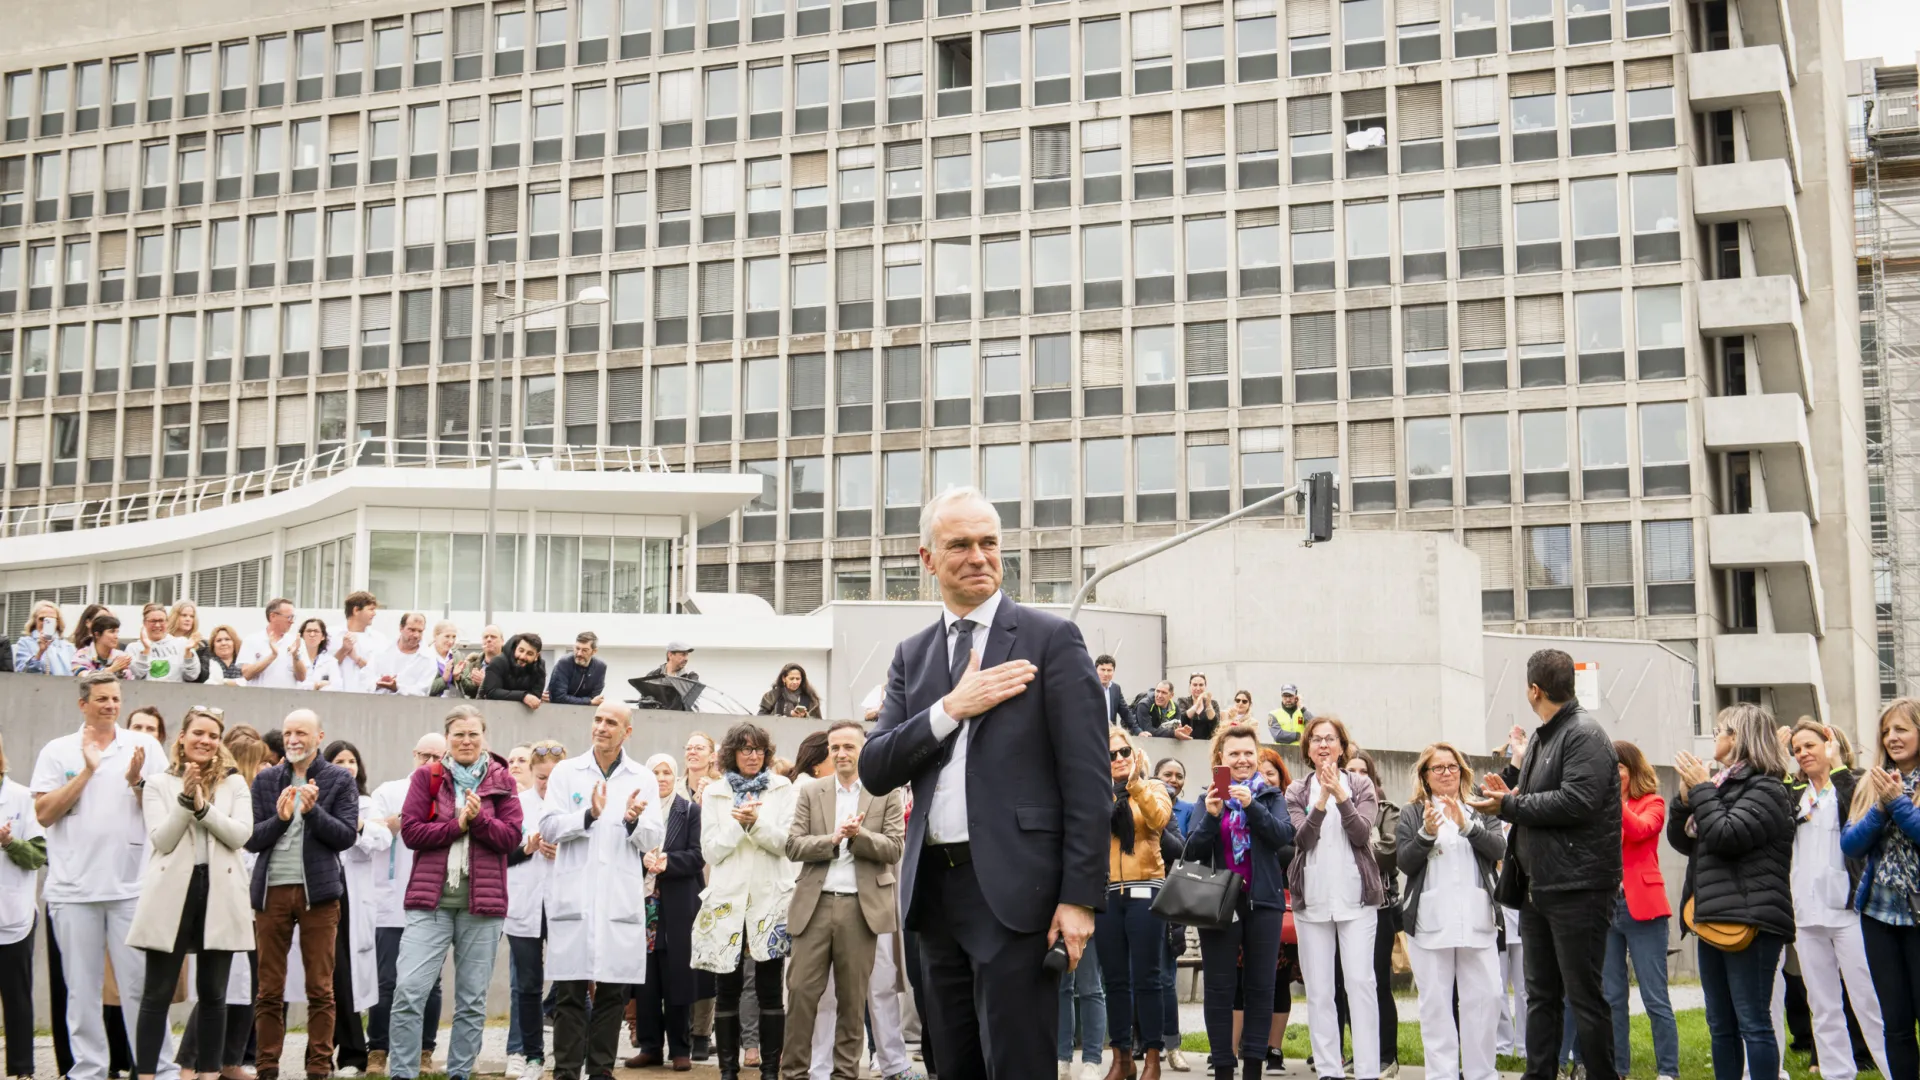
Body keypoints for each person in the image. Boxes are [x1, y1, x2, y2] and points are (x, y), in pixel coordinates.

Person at [860, 486, 1109, 1079]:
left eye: (989, 543)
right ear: (927, 559)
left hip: (1016, 895)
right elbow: (876, 767)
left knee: (1018, 1064)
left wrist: (1079, 898)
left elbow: (1088, 781)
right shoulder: (912, 655)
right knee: (951, 1064)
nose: (978, 556)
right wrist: (952, 707)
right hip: (932, 898)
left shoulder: (1052, 640)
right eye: (960, 545)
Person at [1464, 648, 1622, 1080]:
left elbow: (1578, 800)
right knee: (1541, 996)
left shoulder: (1584, 733)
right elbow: (1531, 798)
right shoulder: (1540, 738)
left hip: (1579, 888)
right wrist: (1507, 789)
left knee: (1584, 996)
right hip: (1538, 888)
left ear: (1534, 690)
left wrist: (1510, 804)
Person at [31, 671, 175, 1080]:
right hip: (73, 890)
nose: (111, 706)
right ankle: (89, 1070)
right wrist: (87, 772)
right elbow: (43, 813)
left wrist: (136, 783)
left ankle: (156, 1067)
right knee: (81, 990)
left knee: (140, 987)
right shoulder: (58, 751)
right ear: (83, 704)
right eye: (101, 699)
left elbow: (164, 808)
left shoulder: (144, 746)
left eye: (115, 698)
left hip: (131, 887)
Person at [387, 706, 522, 1080]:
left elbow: (511, 839)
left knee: (472, 1002)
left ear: (484, 737)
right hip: (429, 904)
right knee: (409, 992)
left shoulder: (502, 780)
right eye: (459, 734)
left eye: (473, 734)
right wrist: (456, 824)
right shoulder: (426, 777)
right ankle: (401, 1073)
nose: (466, 741)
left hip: (483, 907)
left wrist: (478, 821)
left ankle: (460, 1073)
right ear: (447, 738)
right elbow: (411, 833)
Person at [1669, 703, 1796, 1080]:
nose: (1714, 736)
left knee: (1753, 1022)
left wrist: (1704, 790)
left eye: (1720, 729)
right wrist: (1684, 801)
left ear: (1739, 738)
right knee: (1719, 1023)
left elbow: (1726, 835)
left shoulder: (1768, 788)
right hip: (1712, 917)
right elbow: (1684, 841)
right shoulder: (1721, 785)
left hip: (1752, 922)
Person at [541, 703, 667, 1080]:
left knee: (613, 994)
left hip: (618, 902)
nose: (601, 727)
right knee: (569, 993)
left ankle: (600, 1072)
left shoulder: (641, 776)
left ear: (626, 732)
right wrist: (588, 816)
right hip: (575, 899)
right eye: (597, 720)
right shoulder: (566, 771)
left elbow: (653, 838)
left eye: (611, 722)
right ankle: (565, 1071)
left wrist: (631, 820)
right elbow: (548, 827)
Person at [127, 707, 253, 1080]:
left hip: (220, 892)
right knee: (157, 993)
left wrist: (202, 807)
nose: (205, 740)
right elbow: (161, 840)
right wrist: (185, 803)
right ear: (181, 737)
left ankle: (209, 1073)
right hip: (172, 894)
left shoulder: (235, 784)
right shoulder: (158, 783)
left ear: (219, 743)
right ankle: (146, 1074)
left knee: (214, 993)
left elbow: (239, 835)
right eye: (198, 733)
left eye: (213, 736)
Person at [780, 721, 906, 1080]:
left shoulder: (885, 793)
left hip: (861, 909)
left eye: (848, 747)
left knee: (852, 1003)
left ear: (863, 750)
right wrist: (832, 840)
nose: (841, 754)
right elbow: (793, 845)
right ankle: (793, 1074)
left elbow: (894, 848)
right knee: (802, 994)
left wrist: (859, 835)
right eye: (835, 748)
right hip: (814, 906)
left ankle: (845, 1075)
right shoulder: (811, 791)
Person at [244, 708, 360, 1080]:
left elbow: (345, 836)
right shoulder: (265, 781)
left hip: (320, 895)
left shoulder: (339, 779)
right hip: (271, 892)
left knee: (320, 987)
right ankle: (266, 1067)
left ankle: (317, 1068)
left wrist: (311, 813)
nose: (293, 739)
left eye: (302, 733)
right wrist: (279, 819)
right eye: (289, 733)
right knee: (269, 988)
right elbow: (251, 839)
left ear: (319, 737)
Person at [1183, 724, 1292, 1080]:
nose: (1243, 759)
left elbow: (1283, 838)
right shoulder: (1207, 800)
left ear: (1256, 757)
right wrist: (1213, 818)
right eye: (1234, 753)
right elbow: (1192, 851)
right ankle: (1224, 1068)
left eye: (1248, 753)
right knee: (1219, 987)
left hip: (1263, 902)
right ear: (1221, 759)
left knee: (1261, 987)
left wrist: (1253, 807)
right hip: (1219, 903)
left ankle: (1254, 1069)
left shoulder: (1271, 796)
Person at [1788, 720, 1891, 1080]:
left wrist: (1838, 767)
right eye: (1797, 749)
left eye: (1810, 745)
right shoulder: (1795, 794)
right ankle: (1837, 1073)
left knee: (1868, 1000)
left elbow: (1855, 808)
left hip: (1847, 913)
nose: (1803, 753)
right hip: (1806, 913)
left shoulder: (1852, 783)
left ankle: (1895, 1069)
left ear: (1829, 745)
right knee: (1823, 1004)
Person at [693, 722, 797, 1080]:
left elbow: (787, 843)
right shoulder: (716, 792)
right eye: (745, 749)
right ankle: (727, 1071)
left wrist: (755, 824)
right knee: (727, 989)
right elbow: (711, 851)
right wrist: (740, 825)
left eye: (759, 750)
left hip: (769, 899)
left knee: (770, 989)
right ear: (732, 753)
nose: (753, 756)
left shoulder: (782, 787)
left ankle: (770, 1071)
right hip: (727, 902)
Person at [1396, 742, 1504, 1080]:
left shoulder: (1480, 808)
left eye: (1452, 766)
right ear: (1426, 776)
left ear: (1462, 772)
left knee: (1486, 1000)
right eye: (1438, 768)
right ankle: (1441, 1075)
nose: (1446, 773)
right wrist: (1427, 833)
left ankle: (1480, 1074)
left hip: (1477, 921)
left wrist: (1468, 826)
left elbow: (1499, 848)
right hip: (1431, 924)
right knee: (1436, 1007)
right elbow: (1404, 861)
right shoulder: (1413, 812)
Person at [1287, 716, 1383, 1080]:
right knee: (1319, 989)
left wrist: (1341, 796)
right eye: (1316, 740)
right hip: (1311, 901)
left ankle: (1368, 1071)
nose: (1323, 745)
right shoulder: (1296, 790)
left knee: (1360, 984)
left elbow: (1361, 835)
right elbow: (1302, 840)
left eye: (1330, 739)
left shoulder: (1361, 784)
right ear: (1307, 749)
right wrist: (1321, 799)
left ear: (1343, 746)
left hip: (1356, 900)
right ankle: (1329, 1070)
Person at [1841, 697, 1920, 1080]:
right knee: (1896, 1022)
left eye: (1902, 729)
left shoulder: (1894, 790)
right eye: (1886, 731)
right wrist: (1881, 807)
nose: (1892, 737)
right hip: (1878, 917)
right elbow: (1850, 845)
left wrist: (1898, 803)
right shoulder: (1871, 783)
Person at [367, 736, 448, 1078]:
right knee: (387, 981)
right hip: (391, 901)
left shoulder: (450, 792)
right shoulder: (390, 790)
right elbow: (371, 832)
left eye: (436, 756)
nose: (429, 760)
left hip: (433, 902)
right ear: (413, 754)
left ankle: (424, 1052)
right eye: (424, 754)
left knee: (431, 982)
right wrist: (399, 820)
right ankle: (378, 1051)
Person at [1096, 726, 1171, 1080]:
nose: (1119, 759)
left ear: (1135, 753)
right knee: (1114, 980)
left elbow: (1159, 819)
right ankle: (1121, 1058)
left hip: (1147, 889)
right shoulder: (1096, 793)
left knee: (1148, 977)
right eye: (1111, 755)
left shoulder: (1153, 787)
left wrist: (1137, 784)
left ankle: (1153, 1057)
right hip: (1108, 893)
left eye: (1124, 752)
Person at [1602, 741, 1680, 1080]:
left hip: (1643, 909)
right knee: (1612, 996)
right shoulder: (1598, 806)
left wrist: (1615, 802)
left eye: (1618, 767)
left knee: (1655, 997)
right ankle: (1618, 1069)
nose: (1612, 774)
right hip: (1606, 908)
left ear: (1633, 771)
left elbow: (1641, 830)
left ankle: (1667, 1071)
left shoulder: (1653, 802)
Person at [628, 753, 704, 1071]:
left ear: (676, 777)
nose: (661, 778)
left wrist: (667, 863)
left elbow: (698, 855)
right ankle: (650, 1046)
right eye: (655, 772)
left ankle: (680, 1049)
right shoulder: (636, 812)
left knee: (677, 977)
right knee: (645, 981)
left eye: (667, 772)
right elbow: (622, 848)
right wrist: (642, 859)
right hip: (642, 905)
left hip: (676, 904)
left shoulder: (689, 811)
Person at [323, 741, 393, 1077]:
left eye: (352, 761)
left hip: (352, 898)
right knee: (324, 977)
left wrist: (358, 825)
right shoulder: (317, 801)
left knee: (345, 977)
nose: (347, 766)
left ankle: (352, 1055)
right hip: (321, 892)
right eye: (339, 761)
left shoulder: (366, 803)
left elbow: (381, 841)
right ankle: (321, 1050)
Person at [1334, 750, 1400, 1078]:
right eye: (1351, 771)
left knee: (1376, 983)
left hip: (1379, 907)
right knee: (1349, 983)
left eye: (1363, 772)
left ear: (1373, 779)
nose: (1357, 776)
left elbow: (1390, 853)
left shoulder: (1387, 811)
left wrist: (1355, 842)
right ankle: (1359, 1055)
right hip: (1341, 907)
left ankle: (1387, 1055)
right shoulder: (1333, 805)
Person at [506, 740, 563, 1080]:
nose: (546, 784)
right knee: (527, 985)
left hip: (561, 903)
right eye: (541, 777)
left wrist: (563, 851)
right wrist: (526, 848)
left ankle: (573, 1053)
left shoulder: (576, 805)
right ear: (531, 773)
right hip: (524, 905)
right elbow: (500, 854)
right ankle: (531, 1056)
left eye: (552, 778)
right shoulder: (515, 805)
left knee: (572, 981)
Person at [0, 730, 47, 1080]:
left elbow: (37, 857)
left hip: (12, 916)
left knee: (17, 998)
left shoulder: (20, 798)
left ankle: (22, 1070)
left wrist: (10, 842)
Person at [1152, 758, 1197, 1073]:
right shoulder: (1132, 800)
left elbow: (1184, 850)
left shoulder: (1186, 810)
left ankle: (1172, 1046)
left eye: (1179, 775)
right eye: (1167, 774)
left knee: (1166, 978)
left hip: (1170, 900)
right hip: (1136, 894)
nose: (1174, 779)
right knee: (1134, 976)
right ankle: (1142, 1042)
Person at [126, 602, 202, 683]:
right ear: (145, 623)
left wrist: (188, 653)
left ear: (167, 622)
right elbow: (136, 676)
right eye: (153, 621)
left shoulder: (182, 643)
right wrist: (146, 650)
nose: (158, 625)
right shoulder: (133, 647)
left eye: (161, 621)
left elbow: (192, 675)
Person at [361, 613, 436, 697]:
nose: (416, 635)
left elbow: (423, 691)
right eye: (411, 630)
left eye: (420, 631)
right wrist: (379, 682)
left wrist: (397, 687)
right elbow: (366, 676)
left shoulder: (428, 658)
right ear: (401, 628)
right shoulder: (382, 649)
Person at [240, 600, 305, 689]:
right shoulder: (252, 640)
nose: (292, 621)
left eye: (293, 617)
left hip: (288, 700)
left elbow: (302, 678)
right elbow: (247, 674)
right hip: (259, 699)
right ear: (273, 616)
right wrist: (272, 656)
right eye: (289, 617)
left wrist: (295, 656)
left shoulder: (295, 642)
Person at [330, 592, 387, 694]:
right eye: (371, 609)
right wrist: (343, 650)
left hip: (366, 698)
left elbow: (379, 673)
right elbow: (323, 668)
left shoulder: (379, 639)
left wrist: (356, 658)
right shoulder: (331, 635)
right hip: (336, 696)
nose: (374, 613)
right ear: (356, 610)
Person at [484, 633, 548, 709]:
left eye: (529, 654)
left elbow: (536, 695)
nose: (523, 657)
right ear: (515, 648)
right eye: (521, 651)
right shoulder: (498, 661)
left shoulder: (539, 667)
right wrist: (523, 696)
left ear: (536, 656)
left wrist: (524, 696)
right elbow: (492, 692)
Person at [12, 599, 75, 674]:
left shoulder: (68, 647)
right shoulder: (24, 643)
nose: (45, 622)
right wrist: (40, 652)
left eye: (51, 619)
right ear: (35, 620)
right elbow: (22, 672)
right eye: (42, 619)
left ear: (57, 622)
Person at [440, 626, 503, 699]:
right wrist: (458, 677)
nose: (489, 639)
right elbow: (470, 691)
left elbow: (511, 691)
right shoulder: (471, 664)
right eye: (485, 637)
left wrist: (486, 683)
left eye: (493, 637)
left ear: (502, 641)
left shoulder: (510, 665)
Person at [548, 632, 608, 706]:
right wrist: (589, 702)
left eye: (584, 650)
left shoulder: (600, 667)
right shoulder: (564, 663)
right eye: (577, 648)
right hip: (557, 710)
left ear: (594, 651)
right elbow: (558, 697)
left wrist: (590, 701)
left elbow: (594, 697)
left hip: (583, 713)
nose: (579, 653)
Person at [74, 613, 133, 677]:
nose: (116, 636)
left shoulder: (120, 656)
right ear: (97, 635)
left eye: (117, 632)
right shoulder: (82, 655)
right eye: (112, 631)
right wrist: (111, 669)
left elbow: (130, 679)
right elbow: (82, 675)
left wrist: (121, 672)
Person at [758, 663, 823, 718]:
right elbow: (761, 718)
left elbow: (818, 723)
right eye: (791, 679)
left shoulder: (811, 698)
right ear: (784, 678)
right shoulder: (771, 696)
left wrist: (805, 716)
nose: (795, 682)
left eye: (798, 679)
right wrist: (785, 716)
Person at [169, 602, 211, 685]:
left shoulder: (202, 646)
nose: (188, 619)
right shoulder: (163, 641)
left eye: (191, 616)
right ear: (174, 617)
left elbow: (203, 677)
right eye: (184, 615)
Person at [294, 619, 340, 691]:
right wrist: (317, 685)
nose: (312, 635)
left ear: (323, 636)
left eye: (316, 631)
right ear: (302, 635)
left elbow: (337, 687)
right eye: (308, 631)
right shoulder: (295, 657)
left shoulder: (330, 661)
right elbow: (295, 685)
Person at [1175, 674, 1221, 742]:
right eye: (1195, 685)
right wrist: (1197, 704)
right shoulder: (1182, 701)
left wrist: (1208, 704)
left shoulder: (1213, 703)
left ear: (1205, 686)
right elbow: (1182, 718)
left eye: (1201, 685)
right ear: (1190, 686)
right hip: (1187, 743)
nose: (1198, 688)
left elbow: (1215, 723)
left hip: (1207, 744)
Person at [1095, 655, 1130, 730]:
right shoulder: (1088, 688)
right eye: (1102, 669)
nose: (1106, 674)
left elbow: (1126, 713)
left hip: (1110, 735)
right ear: (1095, 670)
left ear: (1114, 671)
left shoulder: (1116, 689)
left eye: (1109, 670)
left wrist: (1138, 731)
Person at [427, 622, 461, 698]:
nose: (451, 641)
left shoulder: (457, 656)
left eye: (454, 637)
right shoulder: (426, 656)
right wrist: (444, 679)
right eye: (447, 636)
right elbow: (423, 690)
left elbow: (466, 690)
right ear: (435, 636)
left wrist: (458, 678)